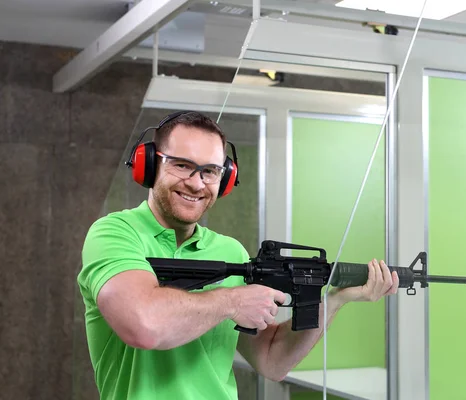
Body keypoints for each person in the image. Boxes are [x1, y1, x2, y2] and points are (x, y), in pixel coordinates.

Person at [78, 111, 400, 400]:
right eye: (181, 165)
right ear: (149, 164)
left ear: (225, 178)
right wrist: (232, 301)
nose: (196, 183)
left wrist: (335, 299)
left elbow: (272, 361)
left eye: (210, 171)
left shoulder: (229, 251)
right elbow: (144, 324)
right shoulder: (114, 233)